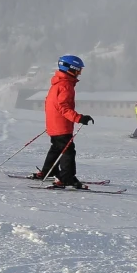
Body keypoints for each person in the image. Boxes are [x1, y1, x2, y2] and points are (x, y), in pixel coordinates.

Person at [33, 55, 93, 188]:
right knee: (68, 151)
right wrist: (79, 118)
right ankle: (66, 178)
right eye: (78, 70)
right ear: (71, 69)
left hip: (55, 124)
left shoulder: (57, 83)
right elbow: (63, 107)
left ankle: (48, 171)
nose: (79, 73)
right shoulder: (66, 85)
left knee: (56, 148)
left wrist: (54, 122)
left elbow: (51, 104)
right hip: (61, 125)